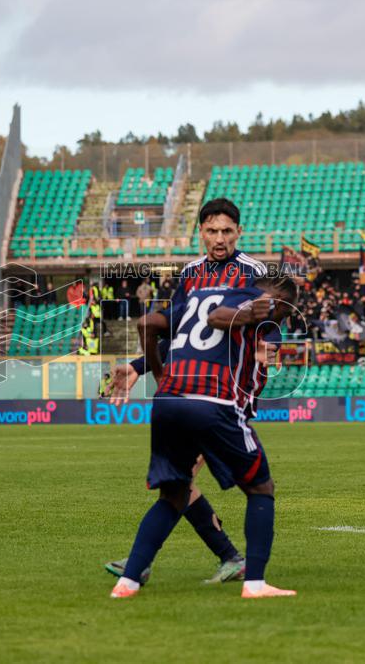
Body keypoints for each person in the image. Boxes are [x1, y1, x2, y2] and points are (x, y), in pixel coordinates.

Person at [104, 197, 273, 586]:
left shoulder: (253, 272)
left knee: (181, 483)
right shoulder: (190, 274)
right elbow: (179, 336)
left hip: (228, 394)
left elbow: (270, 328)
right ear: (200, 232)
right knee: (181, 481)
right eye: (212, 231)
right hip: (193, 391)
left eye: (227, 231)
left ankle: (146, 564)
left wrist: (270, 350)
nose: (219, 239)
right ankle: (227, 558)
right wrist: (136, 366)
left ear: (239, 233)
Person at [110, 276, 299, 599]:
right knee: (260, 486)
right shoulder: (251, 297)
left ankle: (128, 581)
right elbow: (216, 319)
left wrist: (155, 373)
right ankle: (253, 581)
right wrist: (251, 315)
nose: (278, 323)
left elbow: (150, 324)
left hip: (169, 401)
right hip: (215, 404)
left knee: (177, 491)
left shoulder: (202, 291)